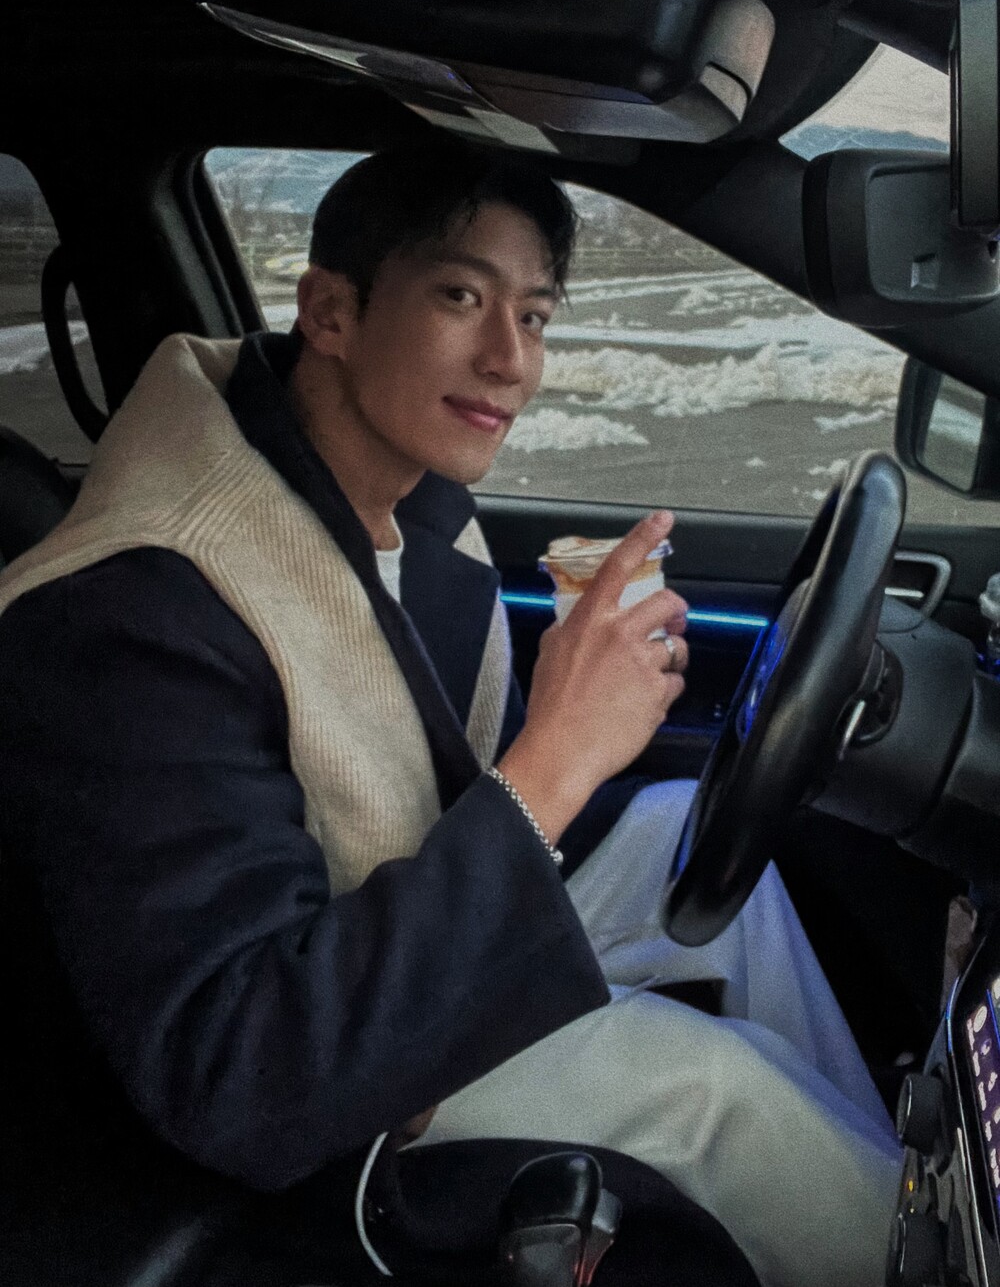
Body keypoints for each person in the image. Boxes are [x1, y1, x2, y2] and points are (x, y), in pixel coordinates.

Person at [0, 137, 900, 1287]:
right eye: (461, 298)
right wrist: (558, 753)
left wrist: (576, 732)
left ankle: (886, 1198)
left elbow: (423, 787)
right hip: (316, 1081)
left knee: (685, 837)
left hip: (386, 932)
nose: (509, 360)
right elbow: (240, 1070)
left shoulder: (399, 495)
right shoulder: (143, 605)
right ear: (330, 312)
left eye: (534, 315)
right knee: (708, 1086)